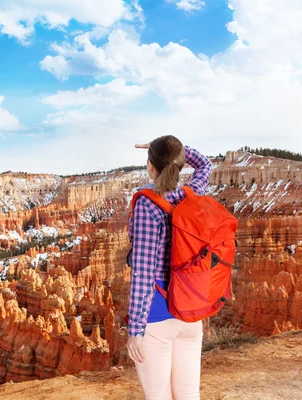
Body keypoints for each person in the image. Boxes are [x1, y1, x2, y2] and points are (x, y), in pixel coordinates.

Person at [127, 135, 213, 400]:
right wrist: (177, 150)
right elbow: (205, 165)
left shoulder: (147, 205)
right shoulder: (190, 194)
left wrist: (135, 331)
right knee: (188, 395)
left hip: (158, 316)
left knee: (159, 396)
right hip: (190, 313)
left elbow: (142, 274)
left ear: (150, 166)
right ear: (177, 164)